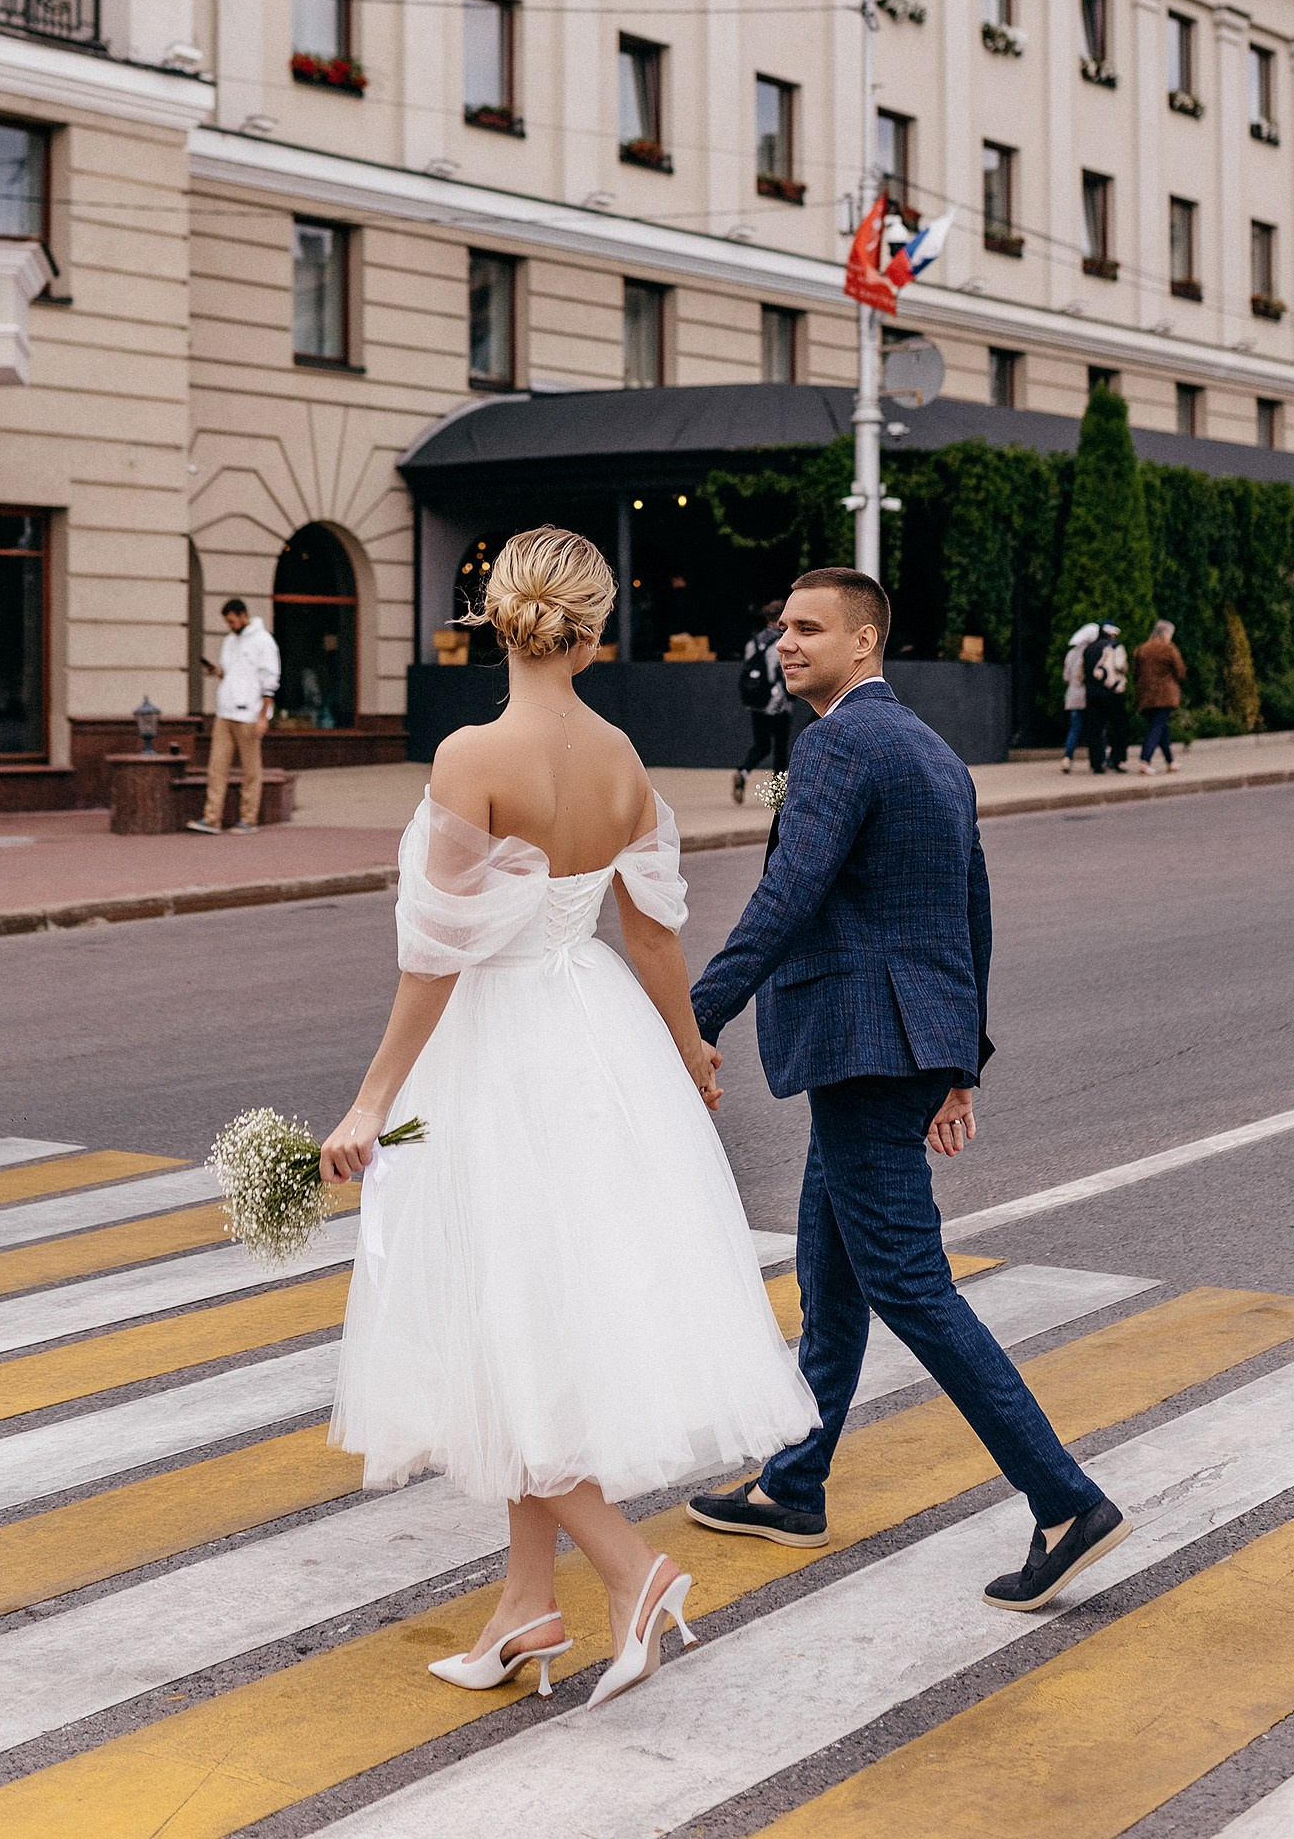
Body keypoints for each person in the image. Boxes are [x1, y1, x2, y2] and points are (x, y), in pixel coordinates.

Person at [322, 527, 815, 1711]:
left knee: (498, 1322)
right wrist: (687, 1048)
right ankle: (523, 1608)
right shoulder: (620, 758)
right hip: (597, 1038)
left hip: (494, 1045)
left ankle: (632, 1570)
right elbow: (651, 931)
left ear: (492, 618)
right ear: (593, 634)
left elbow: (434, 956)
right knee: (535, 1318)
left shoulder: (469, 754)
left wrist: (371, 1099)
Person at [683, 567, 1129, 1616]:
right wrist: (959, 1061)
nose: (786, 643)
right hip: (902, 1043)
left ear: (863, 642)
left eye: (808, 628)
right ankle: (794, 1483)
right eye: (782, 626)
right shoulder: (931, 750)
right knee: (832, 1276)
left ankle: (1063, 1500)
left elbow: (788, 893)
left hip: (861, 1045)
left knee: (909, 1284)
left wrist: (693, 1014)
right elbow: (971, 912)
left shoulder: (836, 744)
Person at [188, 596, 280, 832]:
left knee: (251, 771)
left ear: (243, 616)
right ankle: (211, 818)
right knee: (216, 768)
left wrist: (263, 717)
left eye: (232, 621)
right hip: (225, 712)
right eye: (227, 622)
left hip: (249, 714)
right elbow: (231, 673)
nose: (229, 626)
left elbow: (270, 680)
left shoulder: (263, 641)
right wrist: (217, 671)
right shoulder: (230, 640)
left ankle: (249, 819)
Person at [733, 603, 791, 802]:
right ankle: (778, 794)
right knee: (780, 748)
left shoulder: (754, 641)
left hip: (757, 702)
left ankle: (743, 771)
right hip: (777, 703)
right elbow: (779, 673)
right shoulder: (781, 642)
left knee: (762, 745)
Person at [1132, 619, 1186, 772]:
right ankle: (1145, 760)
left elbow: (1135, 673)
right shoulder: (1168, 648)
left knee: (1161, 727)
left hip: (1146, 694)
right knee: (1157, 727)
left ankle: (1170, 761)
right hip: (1165, 694)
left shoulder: (1142, 649)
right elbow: (1180, 671)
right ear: (1165, 633)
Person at [1080, 622, 1131, 775]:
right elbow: (1121, 666)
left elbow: (1081, 673)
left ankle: (1097, 763)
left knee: (1095, 729)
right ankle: (1116, 759)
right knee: (1119, 727)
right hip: (1112, 693)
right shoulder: (1115, 647)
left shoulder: (1088, 649)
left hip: (1092, 694)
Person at [1058, 621, 1097, 773]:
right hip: (1086, 695)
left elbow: (1066, 677)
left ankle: (1067, 758)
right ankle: (1098, 759)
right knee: (1096, 729)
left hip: (1072, 695)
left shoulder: (1071, 653)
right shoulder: (1090, 652)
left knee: (1074, 728)